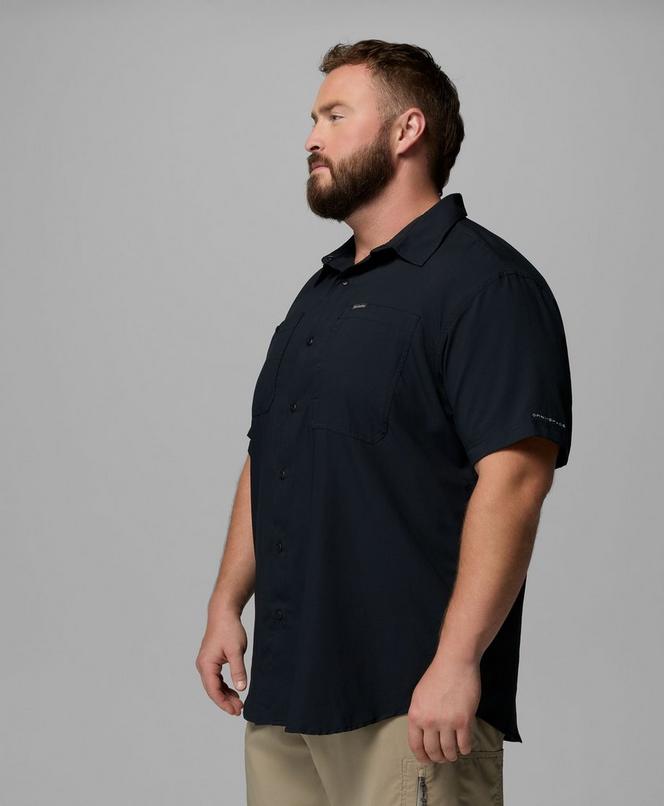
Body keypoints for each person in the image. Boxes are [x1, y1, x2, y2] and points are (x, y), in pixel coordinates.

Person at [195, 39, 573, 806]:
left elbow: (515, 481)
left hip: (412, 704)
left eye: (335, 116)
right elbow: (270, 455)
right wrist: (226, 602)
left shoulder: (488, 286)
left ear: (406, 131)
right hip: (287, 700)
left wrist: (457, 661)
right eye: (313, 119)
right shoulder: (319, 296)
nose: (311, 138)